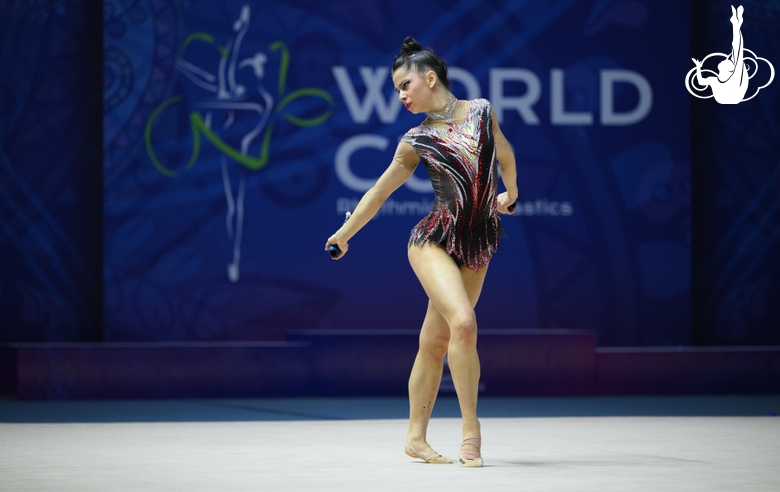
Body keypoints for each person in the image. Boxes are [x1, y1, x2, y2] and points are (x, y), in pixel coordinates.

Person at [325, 37, 518, 468]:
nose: (400, 95)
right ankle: (472, 434)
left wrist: (513, 192)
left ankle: (415, 438)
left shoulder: (483, 112)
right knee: (464, 323)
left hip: (479, 241)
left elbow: (503, 151)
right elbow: (378, 192)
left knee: (435, 342)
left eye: (404, 84)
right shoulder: (416, 139)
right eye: (396, 90)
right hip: (433, 240)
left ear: (430, 78)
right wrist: (344, 232)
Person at [692, 5, 748, 104]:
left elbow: (737, 48)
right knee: (737, 53)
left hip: (732, 97)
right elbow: (701, 82)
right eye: (729, 61)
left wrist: (736, 26)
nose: (726, 59)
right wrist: (698, 67)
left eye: (728, 61)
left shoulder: (732, 78)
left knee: (737, 52)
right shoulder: (715, 80)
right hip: (729, 97)